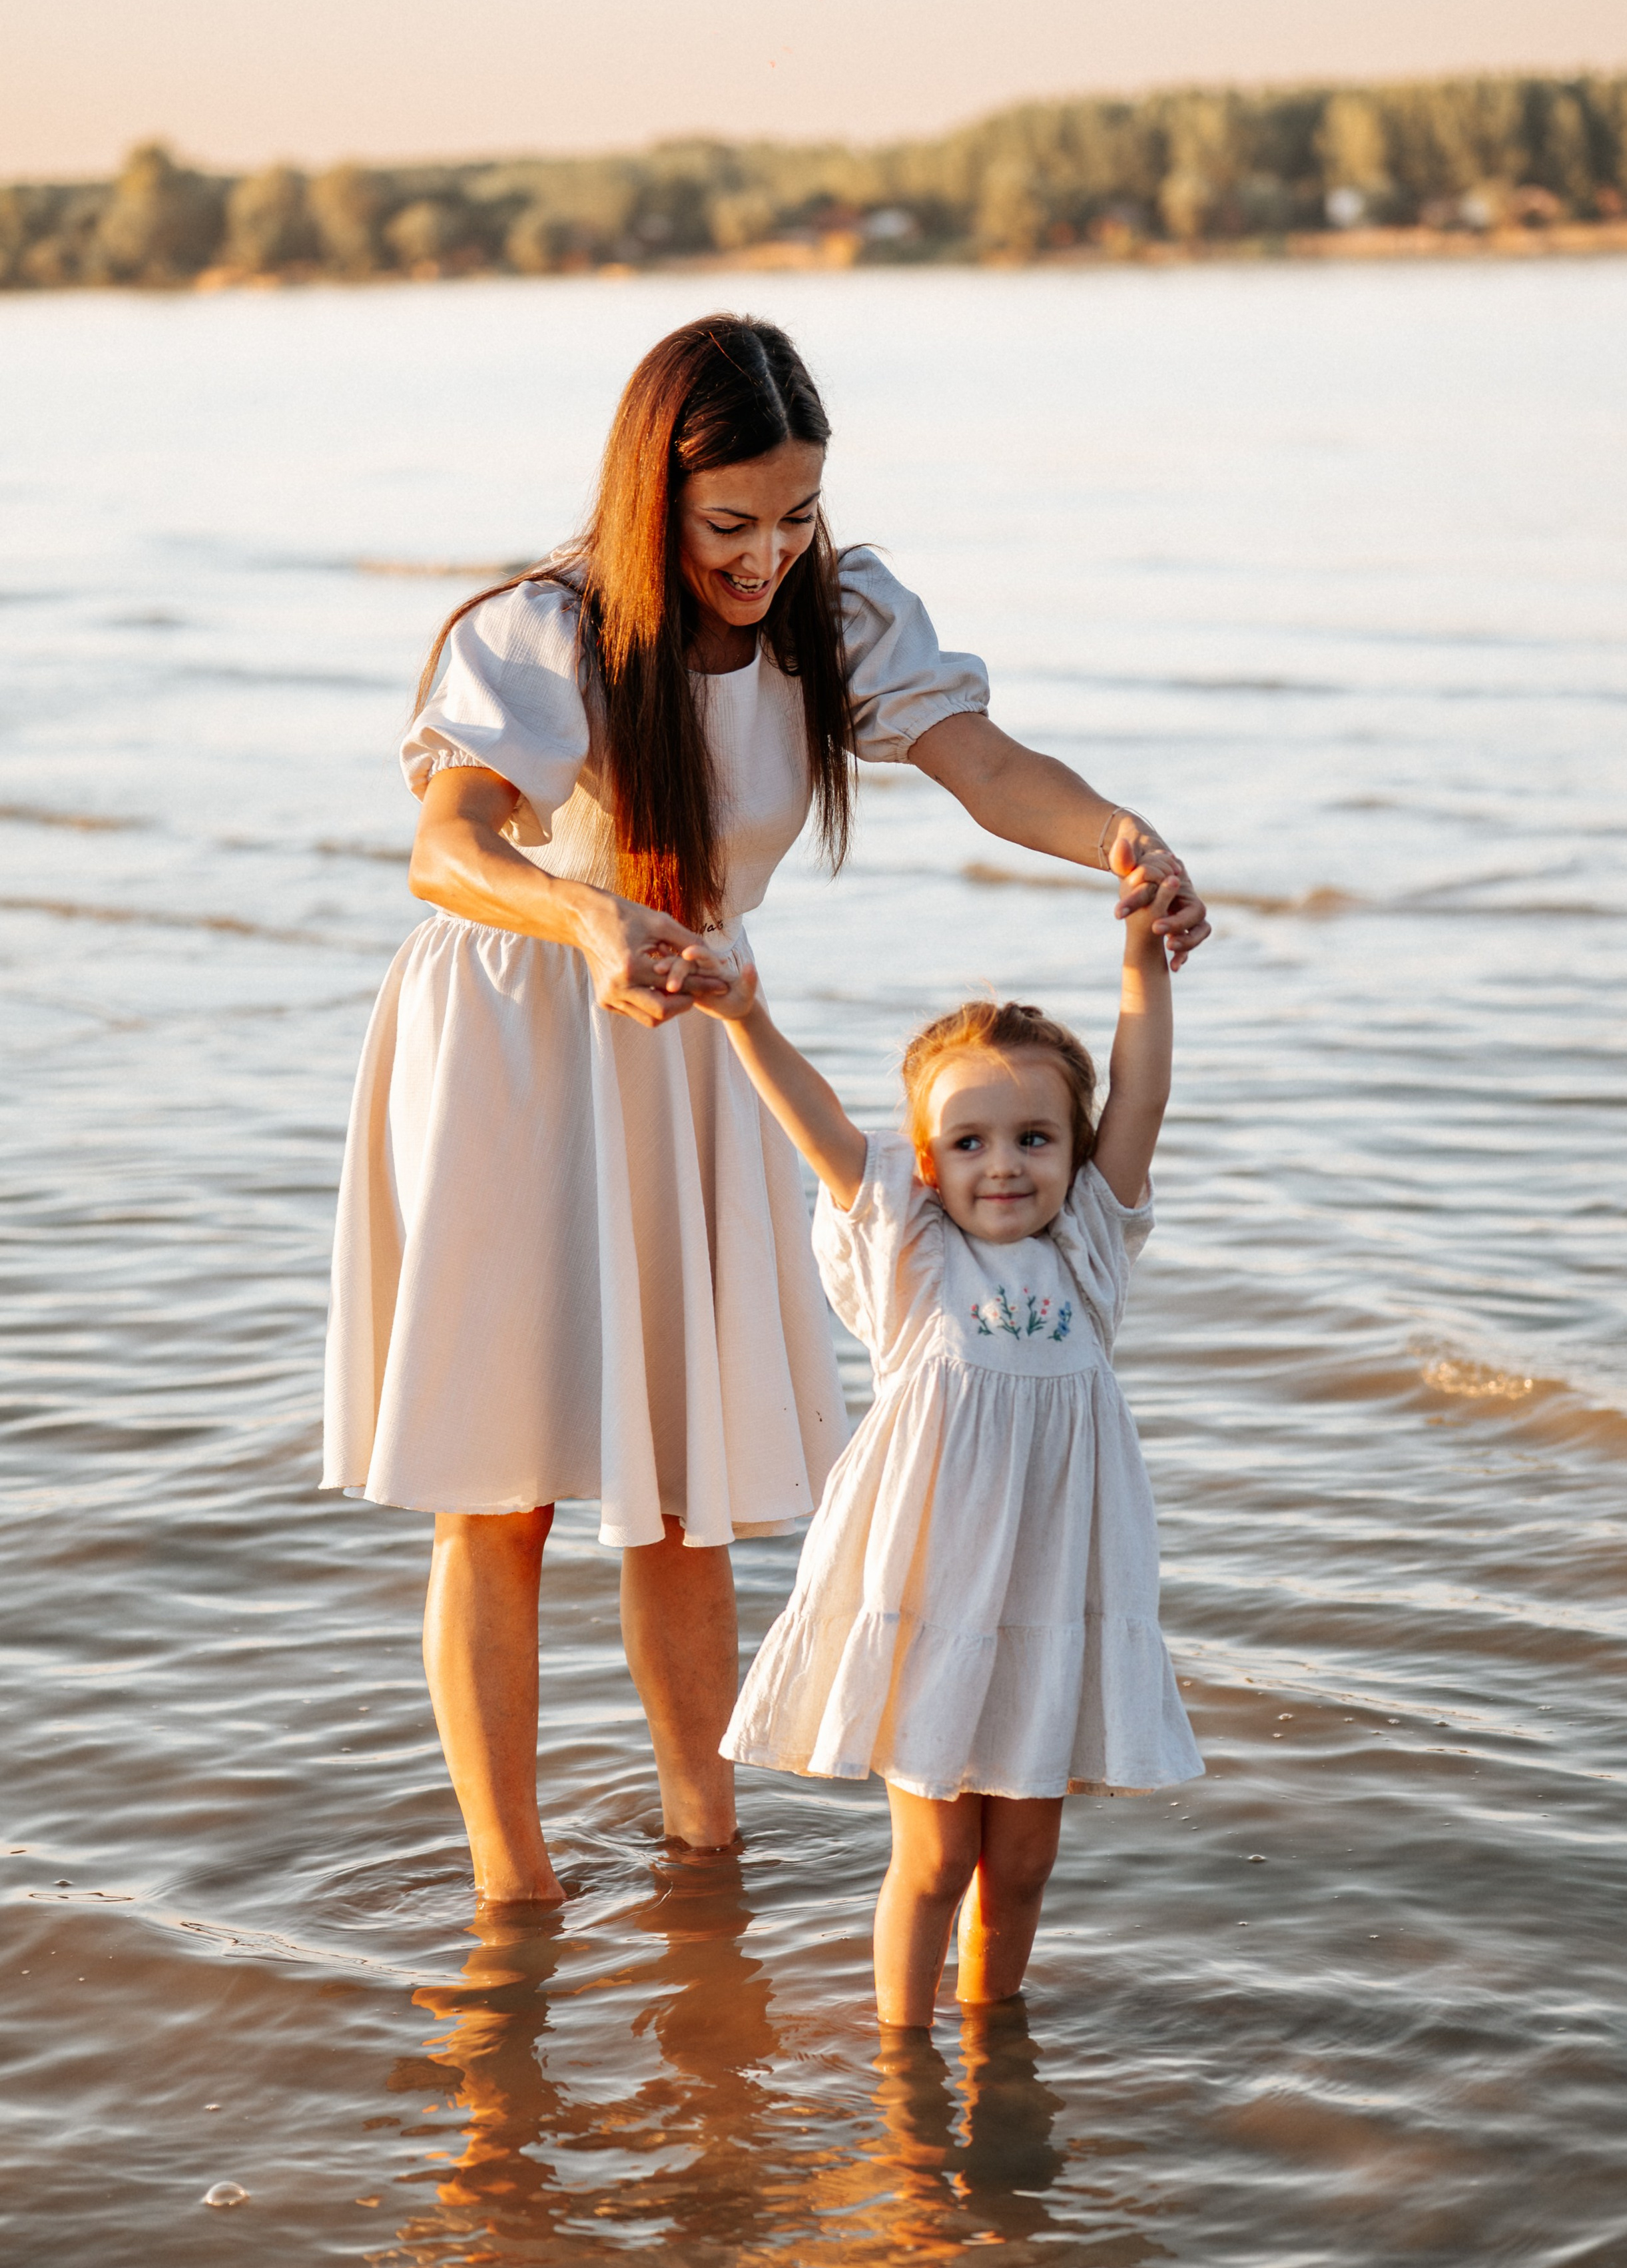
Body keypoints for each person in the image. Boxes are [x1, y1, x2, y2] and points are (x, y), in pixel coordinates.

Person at [322, 312, 1209, 1904]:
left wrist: (1117, 838)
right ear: (653, 498)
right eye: (731, 523)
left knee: (689, 1482)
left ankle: (701, 1851)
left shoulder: (838, 615)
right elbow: (443, 847)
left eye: (793, 514)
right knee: (501, 1492)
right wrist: (584, 914)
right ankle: (513, 1886)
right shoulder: (545, 630)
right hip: (521, 1029)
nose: (766, 552)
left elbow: (986, 766)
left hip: (693, 1028)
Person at [702, 882, 1203, 2026]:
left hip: (1053, 1607)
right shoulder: (915, 1264)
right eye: (968, 1143)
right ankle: (903, 2059)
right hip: (933, 1605)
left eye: (1035, 1139)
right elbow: (823, 1130)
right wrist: (745, 1019)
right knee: (933, 1863)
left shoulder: (1088, 1252)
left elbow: (1145, 1092)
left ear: (1076, 1154)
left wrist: (1143, 957)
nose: (1004, 1166)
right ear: (925, 1161)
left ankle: (994, 2031)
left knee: (1022, 1863)